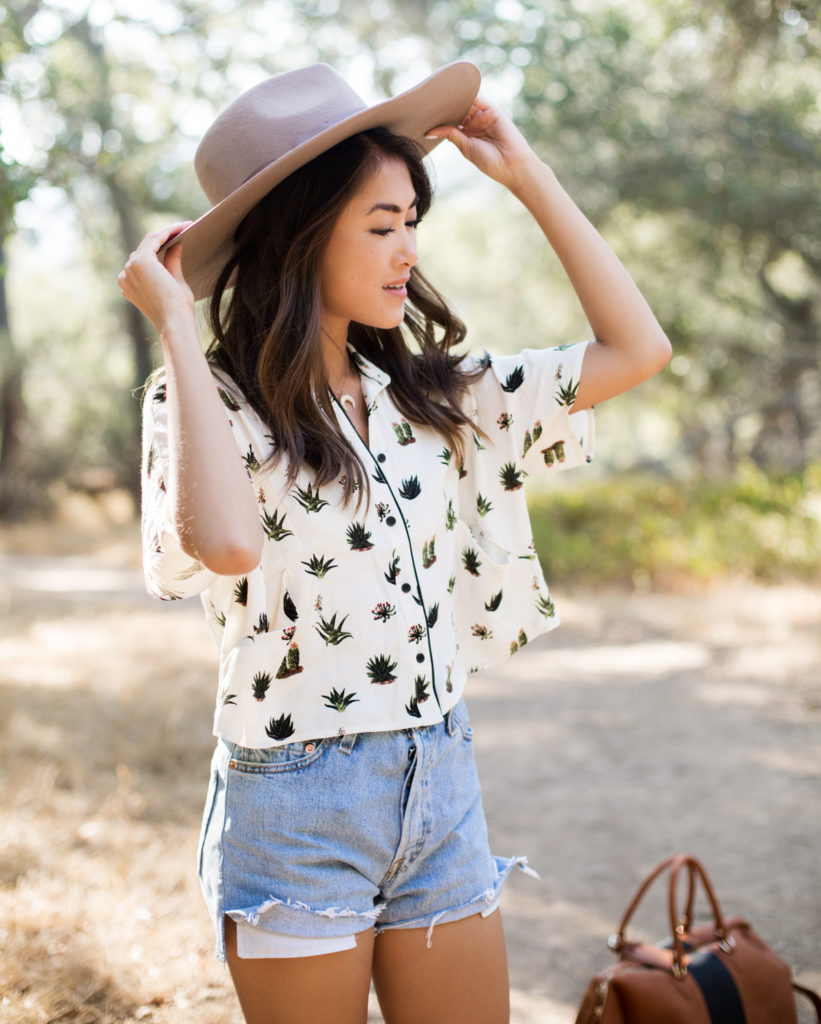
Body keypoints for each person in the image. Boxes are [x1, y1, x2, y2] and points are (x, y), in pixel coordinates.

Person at [118, 60, 670, 1024]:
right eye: (380, 226)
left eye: (412, 221)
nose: (406, 250)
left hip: (440, 771)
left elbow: (637, 350)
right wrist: (176, 322)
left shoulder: (433, 397)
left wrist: (526, 171)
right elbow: (229, 545)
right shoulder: (204, 401)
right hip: (296, 802)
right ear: (296, 237)